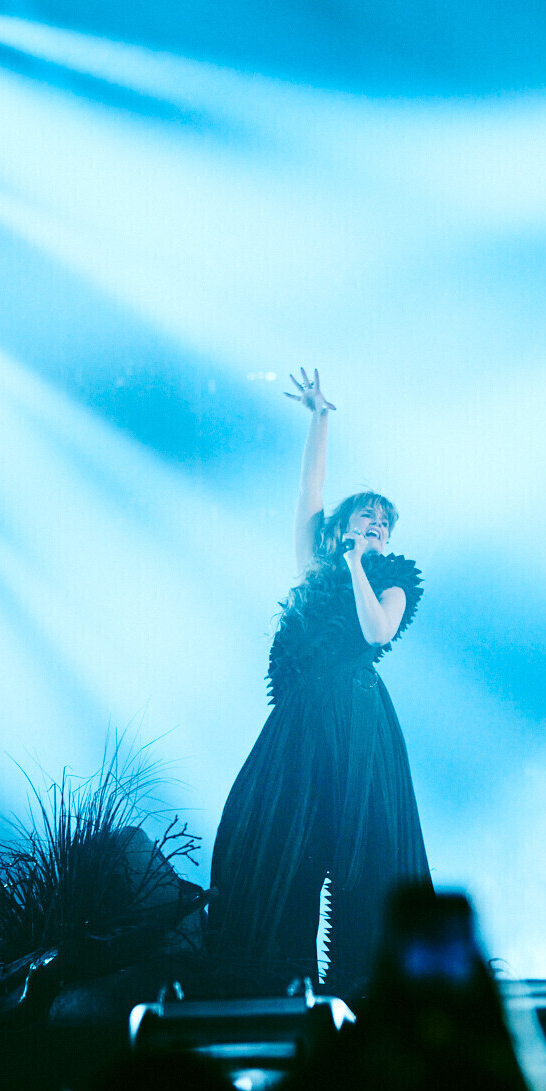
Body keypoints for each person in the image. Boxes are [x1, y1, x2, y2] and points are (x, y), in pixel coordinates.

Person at [206, 369, 429, 992]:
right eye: (365, 517)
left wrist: (359, 566)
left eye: (384, 523)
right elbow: (310, 489)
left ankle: (364, 990)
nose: (376, 526)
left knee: (367, 855)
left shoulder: (394, 580)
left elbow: (377, 632)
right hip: (302, 717)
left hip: (356, 720)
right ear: (341, 527)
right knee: (262, 832)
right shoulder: (313, 566)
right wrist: (320, 417)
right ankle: (275, 981)